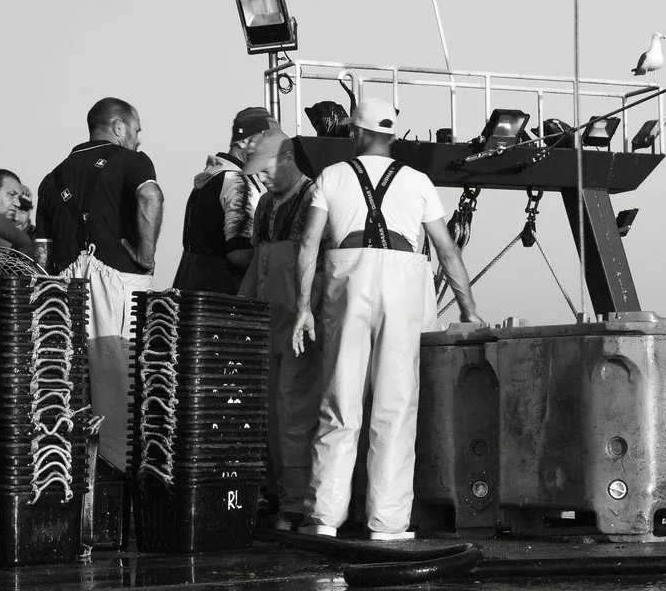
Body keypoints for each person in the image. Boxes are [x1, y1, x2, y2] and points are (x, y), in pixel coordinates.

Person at [290, 98, 479, 539]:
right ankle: (387, 523)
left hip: (347, 278)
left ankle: (324, 518)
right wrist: (468, 309)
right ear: (391, 136)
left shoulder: (331, 176)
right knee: (395, 407)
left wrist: (302, 308)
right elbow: (447, 250)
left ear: (356, 133)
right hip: (404, 282)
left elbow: (309, 244)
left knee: (340, 403)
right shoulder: (418, 181)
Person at [35, 97, 164, 478]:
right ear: (119, 127)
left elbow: (41, 254)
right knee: (121, 388)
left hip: (64, 295)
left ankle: (72, 482)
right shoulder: (133, 161)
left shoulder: (51, 179)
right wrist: (146, 255)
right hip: (117, 291)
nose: (138, 139)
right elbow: (150, 196)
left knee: (70, 389)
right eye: (136, 130)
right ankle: (116, 485)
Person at [244, 128, 327, 527]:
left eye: (266, 169)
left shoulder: (313, 197)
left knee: (296, 411)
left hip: (298, 324)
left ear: (289, 158)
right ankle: (279, 495)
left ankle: (299, 503)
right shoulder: (264, 205)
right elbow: (257, 262)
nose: (261, 178)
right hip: (267, 324)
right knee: (271, 413)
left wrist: (307, 313)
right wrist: (238, 312)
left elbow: (320, 264)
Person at [174, 106, 272, 294]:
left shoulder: (211, 178)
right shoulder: (238, 182)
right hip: (221, 300)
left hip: (192, 294)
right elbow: (239, 255)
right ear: (244, 142)